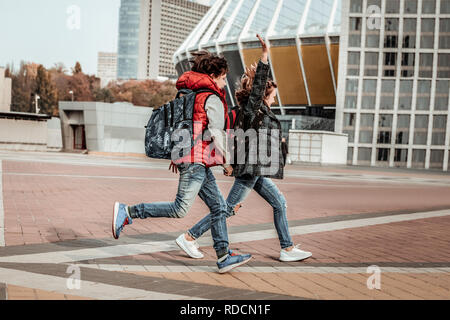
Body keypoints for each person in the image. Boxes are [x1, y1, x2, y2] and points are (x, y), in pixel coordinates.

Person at [175, 34, 312, 262]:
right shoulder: (253, 110)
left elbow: (236, 137)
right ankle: (189, 237)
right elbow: (257, 89)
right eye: (273, 97)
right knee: (227, 209)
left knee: (279, 203)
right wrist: (265, 56)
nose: (275, 101)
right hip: (250, 170)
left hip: (254, 169)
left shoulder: (250, 113)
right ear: (262, 96)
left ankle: (287, 249)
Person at [112, 51, 252, 273]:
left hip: (194, 160)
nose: (225, 83)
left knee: (218, 207)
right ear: (214, 75)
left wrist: (179, 155)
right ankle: (128, 212)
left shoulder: (190, 94)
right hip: (197, 162)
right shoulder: (211, 97)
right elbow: (216, 131)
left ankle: (224, 255)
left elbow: (184, 126)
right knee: (180, 209)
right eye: (224, 77)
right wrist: (227, 162)